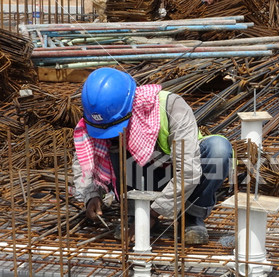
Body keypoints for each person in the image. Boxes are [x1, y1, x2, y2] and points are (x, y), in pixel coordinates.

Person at [72, 67, 232, 244]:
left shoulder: (171, 107)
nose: (111, 133)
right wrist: (91, 196)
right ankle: (135, 212)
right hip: (144, 177)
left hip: (180, 175)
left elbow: (188, 171)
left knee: (219, 150)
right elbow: (86, 158)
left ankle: (191, 217)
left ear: (131, 107)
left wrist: (153, 214)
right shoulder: (102, 115)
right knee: (116, 145)